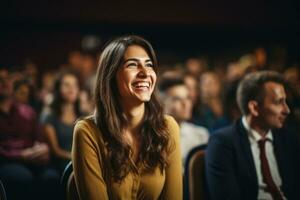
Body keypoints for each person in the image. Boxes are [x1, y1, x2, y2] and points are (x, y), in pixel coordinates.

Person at [71, 35, 182, 200]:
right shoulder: (87, 132)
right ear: (111, 75)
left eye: (149, 65)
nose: (145, 73)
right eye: (132, 65)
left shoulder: (167, 127)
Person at [205, 71, 300, 200]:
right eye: (279, 102)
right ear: (254, 108)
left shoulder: (289, 138)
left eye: (286, 102)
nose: (286, 110)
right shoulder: (222, 143)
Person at [0, 69, 60, 200]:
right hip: (7, 161)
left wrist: (44, 149)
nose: (4, 82)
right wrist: (20, 155)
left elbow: (40, 139)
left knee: (52, 177)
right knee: (22, 177)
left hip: (32, 157)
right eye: (0, 79)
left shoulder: (27, 111)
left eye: (7, 78)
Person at [159, 77, 209, 164]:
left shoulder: (201, 135)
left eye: (188, 98)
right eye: (177, 99)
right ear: (161, 103)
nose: (185, 104)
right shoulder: (153, 137)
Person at [41, 70, 81, 173]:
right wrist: (77, 159)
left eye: (75, 85)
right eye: (67, 85)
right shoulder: (50, 115)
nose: (71, 89)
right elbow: (56, 151)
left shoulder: (83, 115)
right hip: (61, 164)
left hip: (82, 162)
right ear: (58, 89)